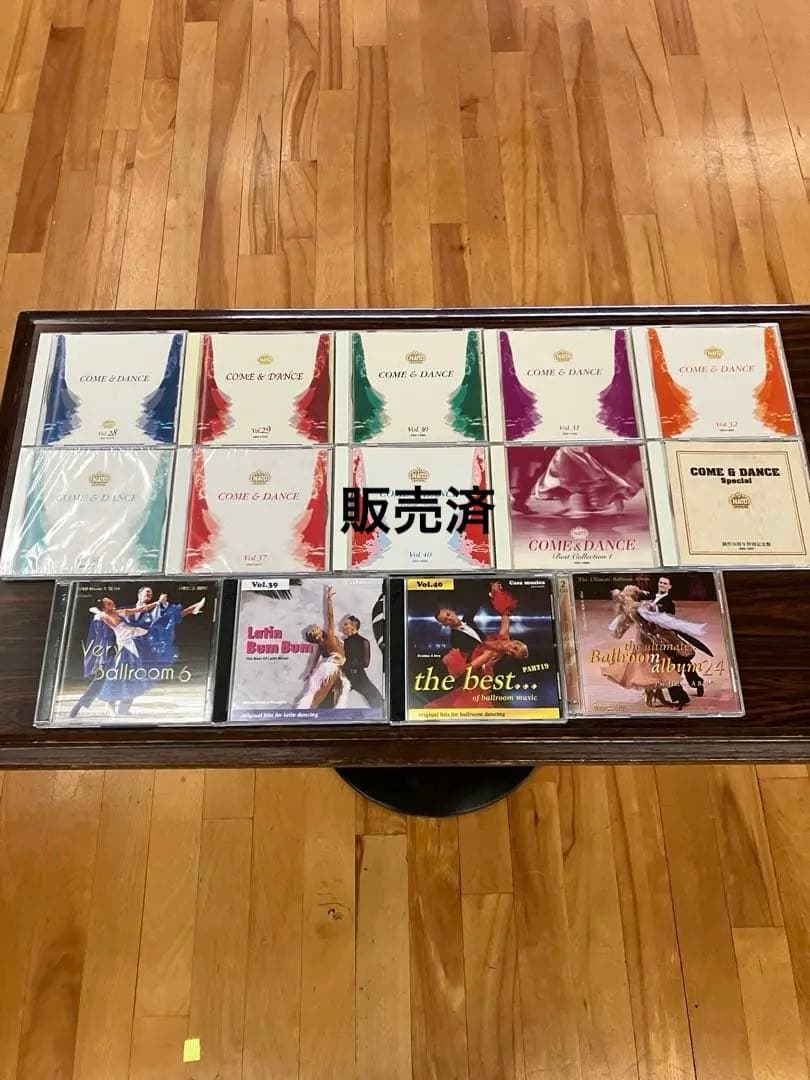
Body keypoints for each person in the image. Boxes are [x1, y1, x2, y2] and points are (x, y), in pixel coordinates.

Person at [601, 585, 710, 710]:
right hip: (649, 640)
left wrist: (649, 605)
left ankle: (695, 683)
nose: (620, 597)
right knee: (664, 668)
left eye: (620, 594)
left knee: (681, 660)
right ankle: (676, 695)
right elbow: (626, 622)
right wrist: (619, 632)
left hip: (663, 635)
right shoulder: (627, 608)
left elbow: (662, 613)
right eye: (616, 596)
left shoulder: (636, 600)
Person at [428, 584, 529, 710]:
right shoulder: (456, 639)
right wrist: (495, 593)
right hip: (476, 671)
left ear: (452, 611)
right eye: (445, 620)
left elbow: (472, 666)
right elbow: (505, 613)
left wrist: (484, 669)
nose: (449, 619)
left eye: (448, 615)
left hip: (482, 675)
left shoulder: (493, 652)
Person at [646, 575, 706, 699]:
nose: (662, 585)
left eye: (665, 583)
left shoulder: (669, 603)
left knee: (677, 661)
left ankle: (689, 687)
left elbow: (668, 612)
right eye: (660, 582)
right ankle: (693, 684)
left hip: (669, 638)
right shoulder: (652, 597)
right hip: (656, 638)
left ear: (670, 586)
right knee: (677, 662)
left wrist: (655, 608)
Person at [298, 586, 351, 709]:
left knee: (333, 691)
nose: (315, 626)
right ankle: (308, 710)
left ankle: (312, 708)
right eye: (314, 630)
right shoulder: (329, 636)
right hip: (331, 668)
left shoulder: (320, 644)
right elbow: (330, 616)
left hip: (329, 667)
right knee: (321, 694)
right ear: (317, 636)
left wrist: (310, 671)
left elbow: (315, 659)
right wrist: (329, 600)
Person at [340, 615, 384, 708]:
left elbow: (366, 663)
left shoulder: (364, 642)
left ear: (353, 626)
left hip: (358, 677)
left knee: (377, 700)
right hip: (343, 676)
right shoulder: (343, 642)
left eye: (346, 624)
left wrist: (348, 663)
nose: (343, 626)